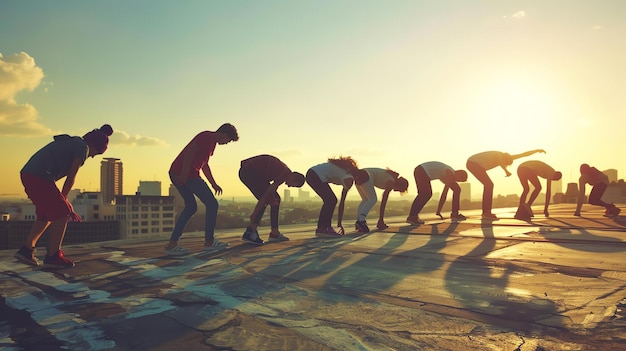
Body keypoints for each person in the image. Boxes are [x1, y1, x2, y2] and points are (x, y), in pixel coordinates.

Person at [14, 124, 113, 268]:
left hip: (29, 174)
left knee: (46, 215)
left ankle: (27, 249)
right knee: (62, 213)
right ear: (93, 146)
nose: (91, 156)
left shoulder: (73, 142)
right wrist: (64, 200)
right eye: (95, 153)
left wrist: (61, 199)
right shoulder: (82, 148)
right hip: (39, 177)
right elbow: (71, 177)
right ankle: (53, 256)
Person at [165, 123, 239, 256]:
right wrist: (185, 174)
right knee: (212, 204)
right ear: (224, 134)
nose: (226, 144)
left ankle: (172, 245)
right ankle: (209, 242)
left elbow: (204, 165)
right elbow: (189, 153)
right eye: (228, 141)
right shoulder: (206, 136)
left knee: (191, 207)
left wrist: (213, 183)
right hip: (187, 174)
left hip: (177, 172)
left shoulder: (211, 143)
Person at [239, 154, 305, 245]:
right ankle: (251, 232)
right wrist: (255, 213)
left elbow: (270, 193)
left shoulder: (283, 171)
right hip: (250, 172)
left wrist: (269, 199)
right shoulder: (284, 173)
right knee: (268, 199)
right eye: (293, 185)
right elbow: (266, 196)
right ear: (293, 177)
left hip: (248, 171)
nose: (289, 186)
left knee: (274, 199)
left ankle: (274, 233)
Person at [466, 149, 545, 220]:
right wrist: (506, 171)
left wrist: (536, 151)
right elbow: (500, 160)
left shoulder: (508, 157)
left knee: (488, 185)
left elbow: (523, 154)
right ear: (505, 159)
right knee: (489, 185)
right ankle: (486, 212)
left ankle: (486, 212)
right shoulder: (500, 155)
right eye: (505, 163)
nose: (504, 164)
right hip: (473, 163)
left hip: (476, 165)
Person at [306, 156, 369, 237]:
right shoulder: (349, 179)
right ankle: (324, 228)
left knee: (330, 200)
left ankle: (322, 228)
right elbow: (342, 202)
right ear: (358, 178)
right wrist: (339, 224)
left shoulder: (348, 171)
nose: (360, 185)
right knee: (331, 200)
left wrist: (339, 223)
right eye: (361, 183)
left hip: (312, 173)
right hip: (315, 175)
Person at [354, 168, 408, 232]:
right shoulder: (391, 182)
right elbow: (383, 202)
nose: (397, 191)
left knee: (365, 199)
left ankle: (359, 221)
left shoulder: (391, 177)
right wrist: (381, 220)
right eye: (400, 189)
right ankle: (361, 221)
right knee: (373, 199)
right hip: (365, 176)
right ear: (400, 185)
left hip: (359, 175)